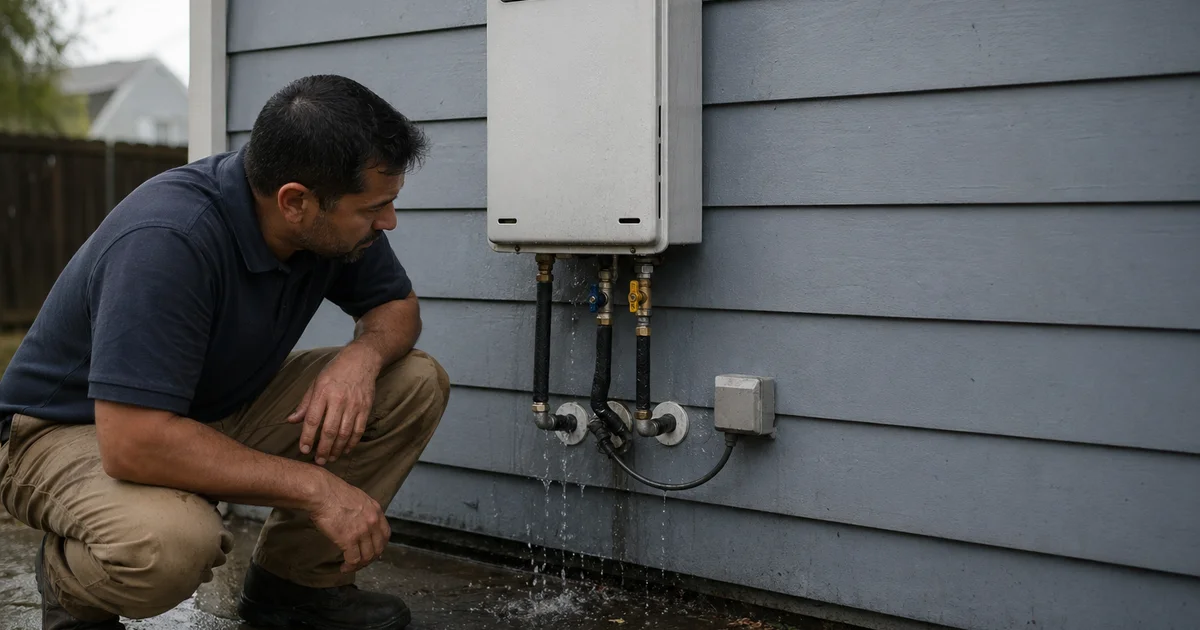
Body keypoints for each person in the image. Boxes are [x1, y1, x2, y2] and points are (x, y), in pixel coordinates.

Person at [0, 74, 449, 630]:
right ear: (296, 202)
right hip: (68, 429)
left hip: (202, 409)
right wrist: (317, 488)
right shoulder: (168, 240)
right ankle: (72, 589)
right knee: (169, 545)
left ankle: (293, 589)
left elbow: (396, 307)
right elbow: (134, 443)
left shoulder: (328, 221)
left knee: (411, 381)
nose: (388, 222)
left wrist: (361, 360)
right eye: (372, 209)